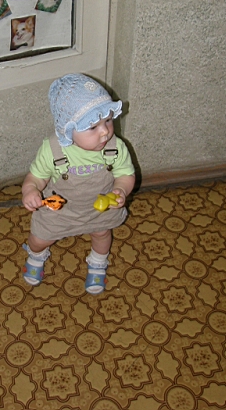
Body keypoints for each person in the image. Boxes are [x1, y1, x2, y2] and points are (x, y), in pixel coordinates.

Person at [21, 73, 136, 294]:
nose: (105, 131)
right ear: (67, 130)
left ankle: (98, 261)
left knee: (102, 235)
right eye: (93, 127)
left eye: (108, 120)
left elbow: (125, 174)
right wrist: (30, 190)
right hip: (60, 211)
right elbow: (36, 177)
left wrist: (121, 189)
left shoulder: (115, 148)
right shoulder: (53, 150)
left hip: (100, 211)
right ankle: (36, 254)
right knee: (39, 238)